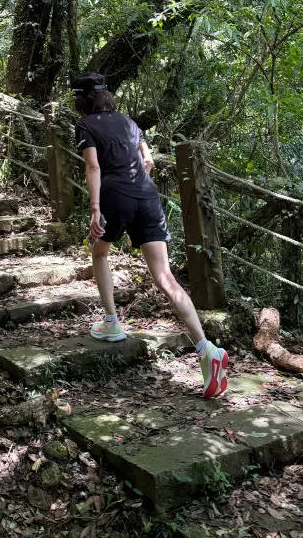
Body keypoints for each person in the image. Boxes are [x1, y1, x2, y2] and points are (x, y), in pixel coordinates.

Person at [73, 72, 228, 398]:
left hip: (114, 195)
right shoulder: (129, 123)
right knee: (165, 276)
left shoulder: (86, 126)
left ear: (83, 101)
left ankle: (112, 322)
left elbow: (94, 168)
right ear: (107, 96)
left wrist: (96, 208)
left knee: (100, 253)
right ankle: (205, 348)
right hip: (146, 195)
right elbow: (148, 161)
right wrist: (136, 194)